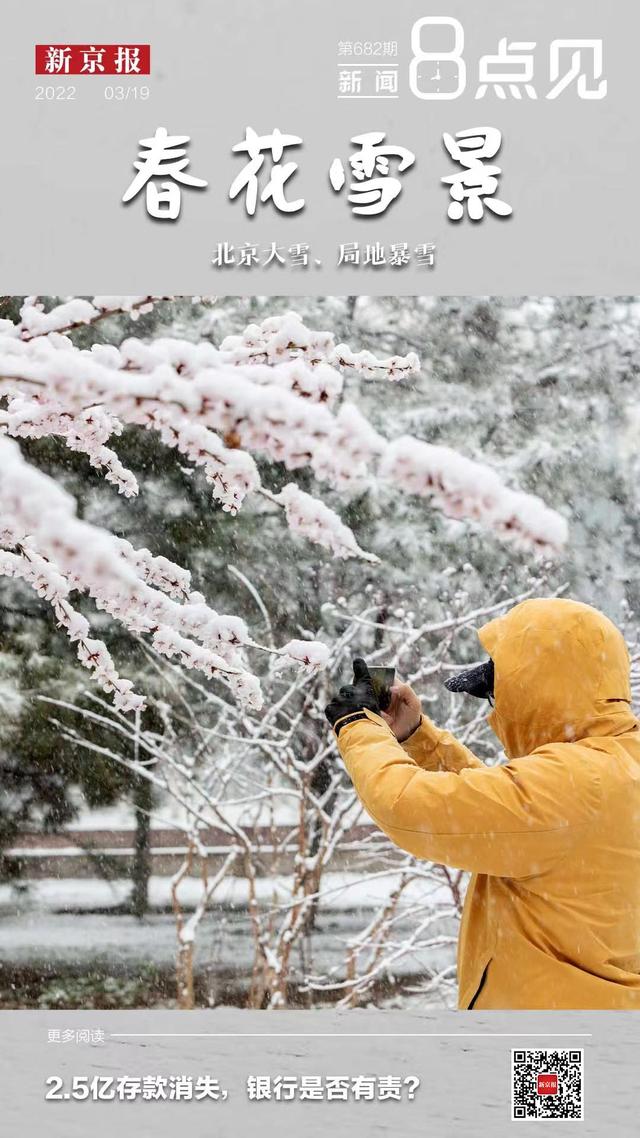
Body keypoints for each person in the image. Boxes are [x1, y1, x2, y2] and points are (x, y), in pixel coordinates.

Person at [324, 597, 640, 1009]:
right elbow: (509, 817)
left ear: (535, 691)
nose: (497, 713)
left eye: (498, 697)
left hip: (550, 1051)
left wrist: (357, 725)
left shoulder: (577, 782)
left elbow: (407, 807)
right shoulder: (615, 765)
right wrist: (417, 738)